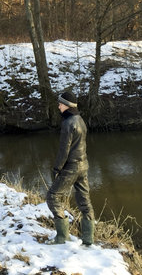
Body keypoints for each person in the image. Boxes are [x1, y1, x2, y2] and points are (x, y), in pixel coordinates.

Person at [46, 91, 95, 246]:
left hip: (71, 168)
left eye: (60, 103)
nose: (58, 106)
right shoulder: (80, 120)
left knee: (53, 196)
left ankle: (62, 237)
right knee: (85, 202)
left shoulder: (68, 124)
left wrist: (56, 169)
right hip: (83, 165)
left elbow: (64, 151)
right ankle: (88, 239)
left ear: (67, 106)